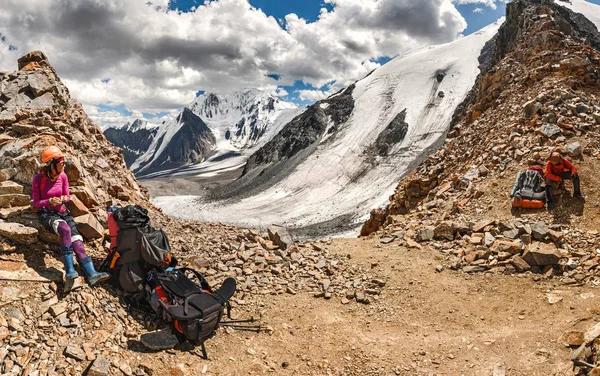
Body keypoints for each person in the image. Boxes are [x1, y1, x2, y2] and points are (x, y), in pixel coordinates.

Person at [31, 146, 110, 286]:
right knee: (65, 230)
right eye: (61, 162)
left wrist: (62, 199)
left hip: (62, 212)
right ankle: (70, 271)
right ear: (52, 164)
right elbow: (36, 203)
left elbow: (67, 196)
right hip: (47, 214)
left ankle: (91, 274)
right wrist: (49, 201)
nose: (64, 165)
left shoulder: (63, 176)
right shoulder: (38, 179)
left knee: (77, 241)